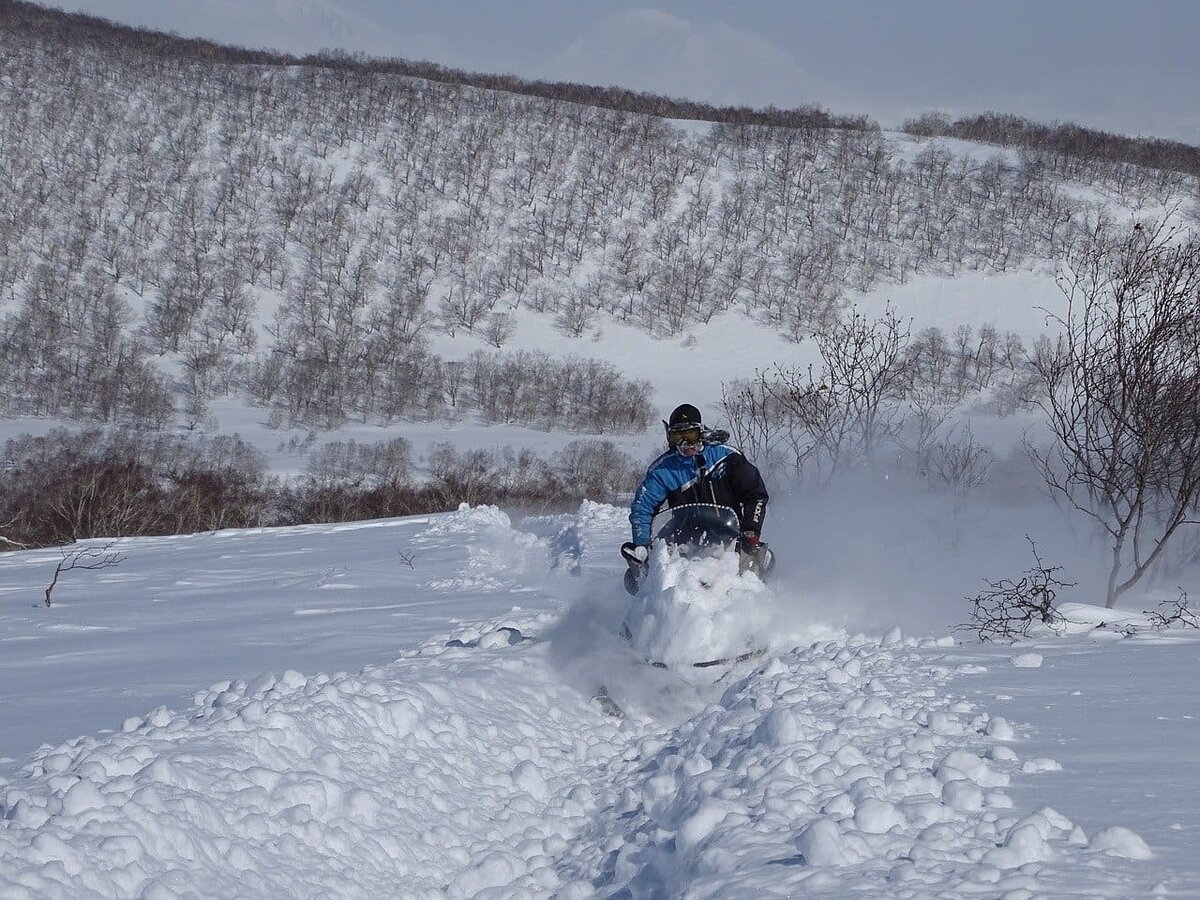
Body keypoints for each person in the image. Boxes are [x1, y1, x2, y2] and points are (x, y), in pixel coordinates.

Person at [624, 403, 769, 562]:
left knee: (765, 560)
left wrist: (751, 532)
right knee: (638, 573)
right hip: (684, 543)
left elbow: (755, 495)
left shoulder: (726, 458)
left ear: (701, 433)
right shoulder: (663, 470)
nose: (686, 444)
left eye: (691, 435)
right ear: (670, 438)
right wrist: (642, 543)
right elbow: (643, 507)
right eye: (678, 437)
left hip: (730, 538)